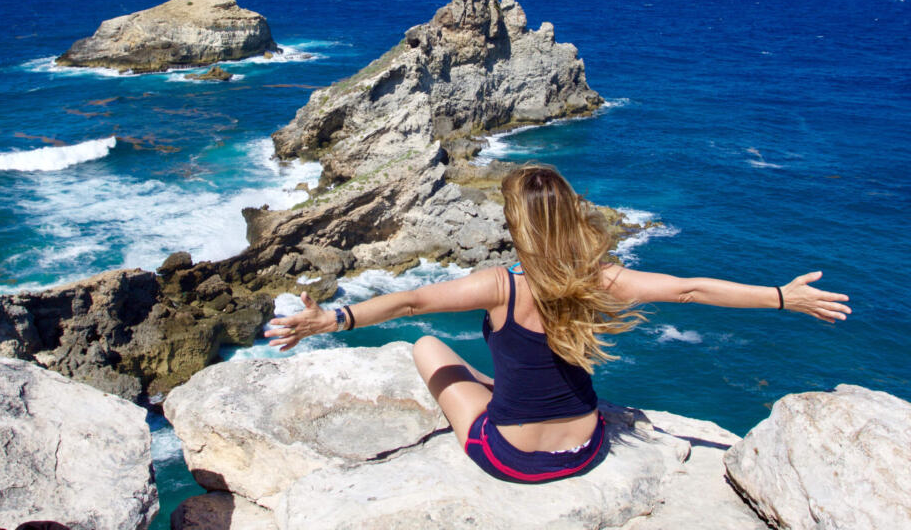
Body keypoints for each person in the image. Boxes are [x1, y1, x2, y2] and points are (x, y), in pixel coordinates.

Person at [266, 164, 851, 484]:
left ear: (516, 224)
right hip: (587, 448)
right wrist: (782, 297)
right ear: (572, 213)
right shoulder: (601, 278)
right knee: (492, 375)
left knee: (426, 347)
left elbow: (412, 304)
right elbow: (691, 289)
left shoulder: (501, 283)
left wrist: (331, 318)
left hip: (511, 459)